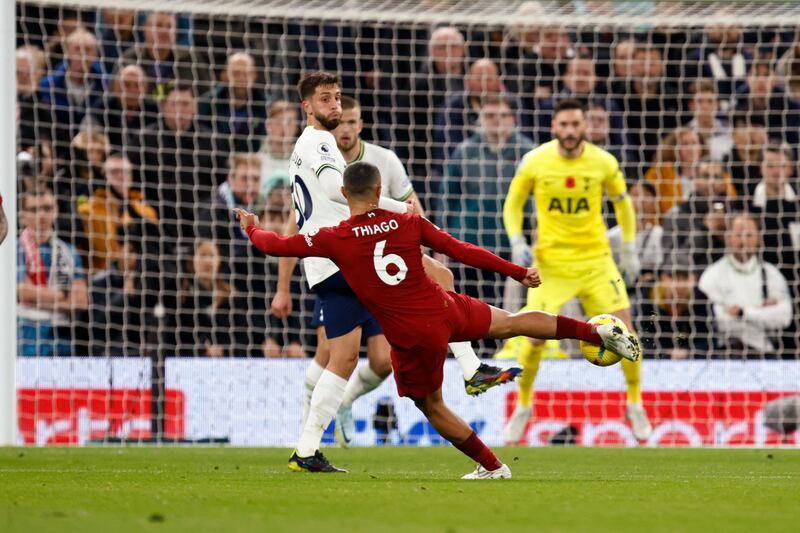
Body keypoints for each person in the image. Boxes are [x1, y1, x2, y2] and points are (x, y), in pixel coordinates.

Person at [234, 160, 641, 476]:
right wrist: (518, 272)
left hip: (412, 335)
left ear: (343, 193)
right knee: (513, 320)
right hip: (446, 307)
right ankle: (596, 331)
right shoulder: (408, 221)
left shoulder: (333, 238)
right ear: (379, 190)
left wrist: (251, 228)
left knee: (430, 404)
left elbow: (276, 245)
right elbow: (462, 250)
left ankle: (493, 466)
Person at [270, 73, 511, 469]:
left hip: (328, 263)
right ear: (307, 107)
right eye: (326, 100)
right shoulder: (320, 143)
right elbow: (335, 191)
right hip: (351, 255)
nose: (335, 106)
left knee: (343, 359)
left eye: (338, 99)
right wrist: (403, 212)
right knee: (440, 277)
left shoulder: (306, 146)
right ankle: (471, 368)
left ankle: (306, 449)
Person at [496, 98, 653, 444]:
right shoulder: (535, 161)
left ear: (585, 126)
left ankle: (635, 402)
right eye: (563, 125)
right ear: (555, 127)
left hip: (596, 260)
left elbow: (623, 204)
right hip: (551, 263)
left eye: (575, 125)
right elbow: (513, 203)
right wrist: (516, 238)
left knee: (624, 330)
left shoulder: (603, 162)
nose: (569, 131)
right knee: (534, 335)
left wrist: (627, 246)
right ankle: (523, 406)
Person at [698, 213, 793, 358]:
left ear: (758, 238)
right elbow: (718, 321)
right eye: (738, 234)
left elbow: (784, 317)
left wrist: (743, 312)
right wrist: (762, 311)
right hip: (725, 354)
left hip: (764, 353)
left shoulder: (772, 274)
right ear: (727, 237)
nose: (743, 240)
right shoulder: (712, 275)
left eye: (749, 235)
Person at [17, 184, 89, 356]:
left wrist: (35, 296)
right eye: (34, 209)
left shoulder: (69, 251)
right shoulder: (12, 249)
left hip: (61, 340)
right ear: (22, 215)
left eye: (47, 208)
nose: (41, 214)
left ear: (56, 210)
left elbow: (80, 301)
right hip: (23, 337)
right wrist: (61, 295)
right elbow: (20, 292)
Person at [198, 51, 268, 153]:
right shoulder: (207, 104)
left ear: (254, 76)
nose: (241, 78)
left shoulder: (265, 106)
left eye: (246, 73)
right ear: (224, 75)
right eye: (235, 73)